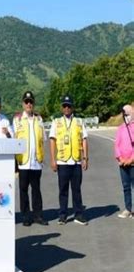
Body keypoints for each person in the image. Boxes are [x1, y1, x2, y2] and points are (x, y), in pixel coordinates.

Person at [49, 95, 89, 226]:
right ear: (62, 108)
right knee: (63, 190)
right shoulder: (56, 122)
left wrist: (85, 158)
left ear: (72, 107)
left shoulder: (79, 122)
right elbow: (52, 140)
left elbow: (84, 139)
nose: (67, 108)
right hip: (62, 161)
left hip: (76, 161)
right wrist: (53, 160)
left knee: (77, 189)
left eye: (69, 105)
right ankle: (63, 215)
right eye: (64, 106)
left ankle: (78, 214)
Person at [13, 91, 48, 226]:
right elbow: (14, 140)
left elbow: (42, 139)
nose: (29, 104)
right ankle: (26, 216)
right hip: (23, 161)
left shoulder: (39, 120)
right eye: (26, 102)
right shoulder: (17, 120)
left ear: (33, 103)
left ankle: (38, 215)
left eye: (31, 102)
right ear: (23, 104)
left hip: (36, 161)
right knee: (23, 190)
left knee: (36, 189)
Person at [114, 104, 133, 219]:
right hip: (122, 163)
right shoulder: (120, 128)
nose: (125, 116)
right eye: (124, 114)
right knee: (126, 187)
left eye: (128, 114)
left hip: (132, 162)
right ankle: (128, 209)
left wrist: (131, 159)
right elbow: (116, 145)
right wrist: (120, 158)